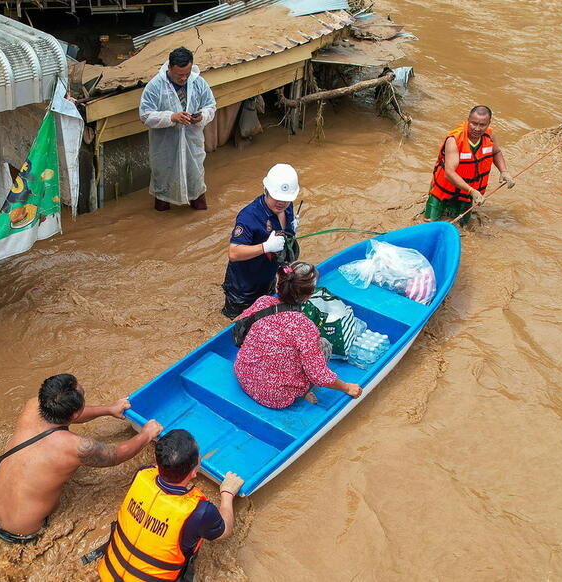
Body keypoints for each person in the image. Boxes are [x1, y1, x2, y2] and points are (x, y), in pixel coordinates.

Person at [0, 374, 163, 543]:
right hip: (22, 531)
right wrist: (146, 435)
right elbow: (117, 454)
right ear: (75, 413)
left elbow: (69, 415)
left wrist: (109, 409)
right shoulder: (76, 447)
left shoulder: (33, 405)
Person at [97, 429, 243, 582]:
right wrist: (227, 493)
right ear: (194, 472)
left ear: (155, 458)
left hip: (108, 574)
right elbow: (225, 531)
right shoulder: (199, 512)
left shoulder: (142, 474)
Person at [233, 261, 363, 409]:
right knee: (324, 344)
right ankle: (301, 392)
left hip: (243, 374)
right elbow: (319, 376)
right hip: (274, 397)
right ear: (308, 297)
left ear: (278, 286)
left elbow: (239, 320)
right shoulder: (304, 327)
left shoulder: (263, 302)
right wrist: (347, 387)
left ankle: (299, 388)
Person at [139, 46, 216, 212]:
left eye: (187, 74)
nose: (183, 78)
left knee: (196, 184)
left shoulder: (198, 82)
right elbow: (145, 115)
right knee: (163, 189)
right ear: (169, 68)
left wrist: (201, 116)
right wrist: (171, 118)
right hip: (165, 148)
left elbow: (210, 106)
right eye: (179, 75)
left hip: (192, 145)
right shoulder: (155, 86)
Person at [221, 163, 300, 319]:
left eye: (286, 199)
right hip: (243, 290)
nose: (281, 203)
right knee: (238, 328)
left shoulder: (287, 207)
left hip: (268, 280)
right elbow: (234, 253)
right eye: (276, 198)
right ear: (266, 190)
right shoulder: (249, 216)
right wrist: (265, 247)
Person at [425, 105, 515, 226]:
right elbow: (449, 173)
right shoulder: (454, 140)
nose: (477, 128)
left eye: (482, 125)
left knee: (463, 226)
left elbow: (496, 152)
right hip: (443, 191)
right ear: (468, 120)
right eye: (474, 123)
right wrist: (472, 191)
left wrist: (504, 171)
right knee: (428, 222)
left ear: (489, 123)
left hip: (466, 194)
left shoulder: (490, 135)